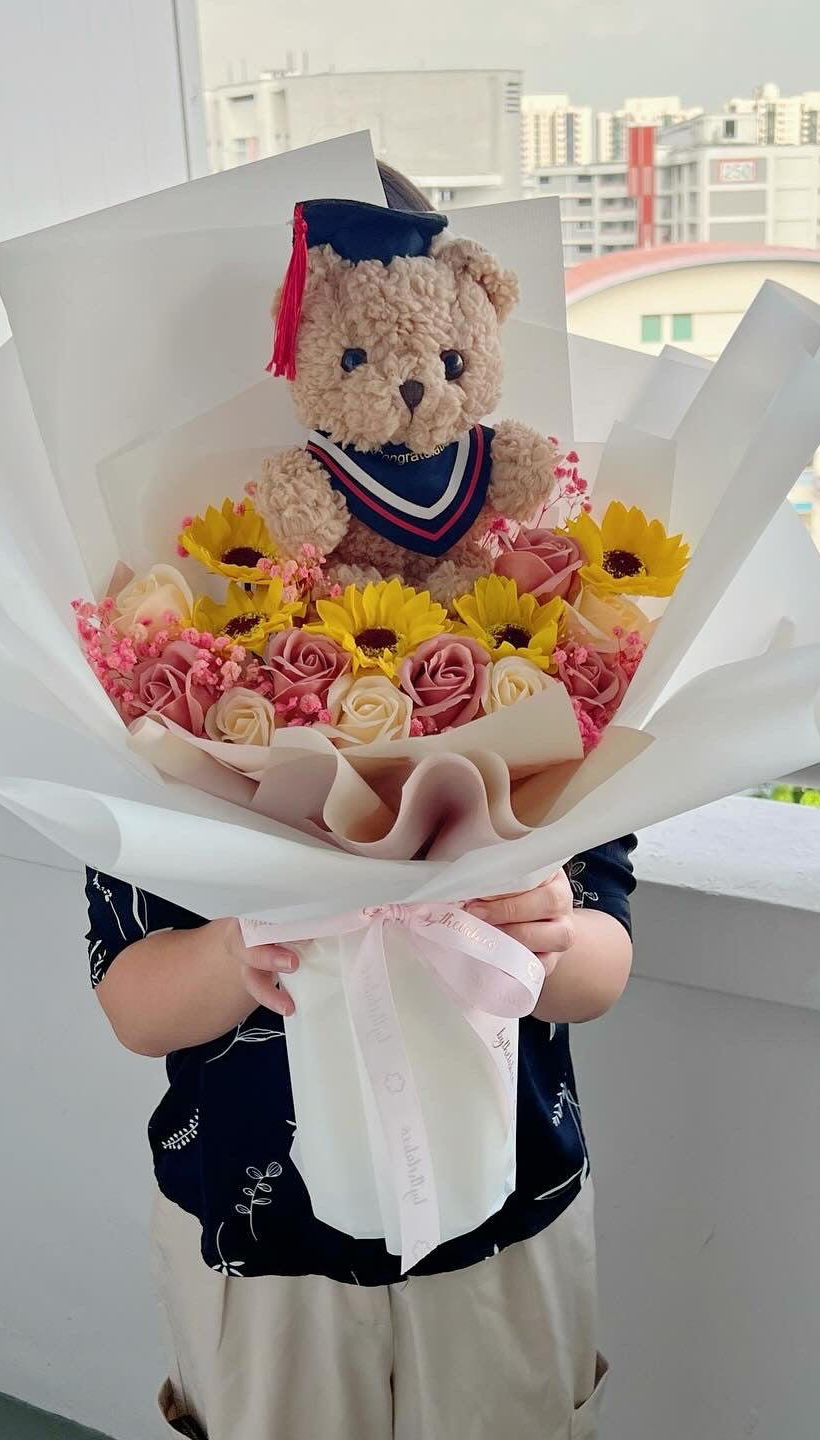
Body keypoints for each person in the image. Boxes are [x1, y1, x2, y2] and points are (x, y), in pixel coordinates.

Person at [85, 162, 636, 1440]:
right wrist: (244, 945)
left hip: (507, 1211)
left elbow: (605, 964)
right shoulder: (175, 707)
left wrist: (547, 929)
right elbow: (129, 996)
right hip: (256, 1230)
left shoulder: (550, 682)